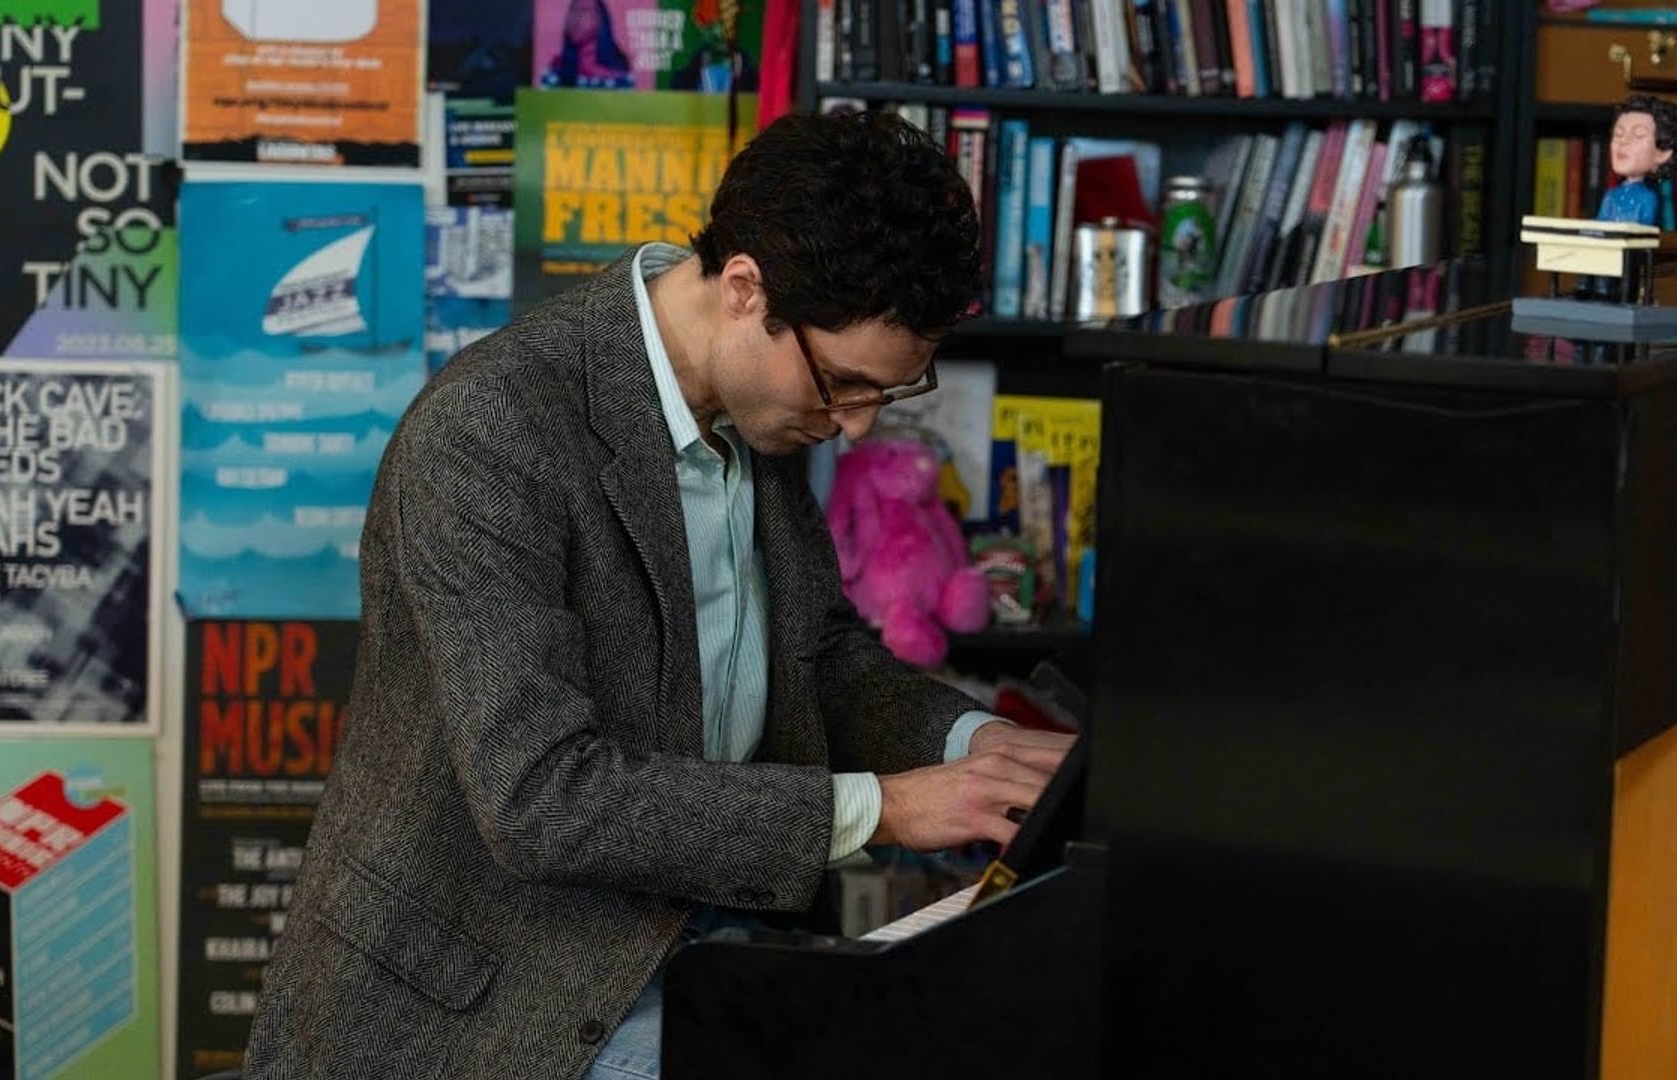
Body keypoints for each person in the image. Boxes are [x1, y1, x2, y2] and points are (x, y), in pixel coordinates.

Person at [241, 109, 1074, 1080]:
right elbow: (543, 799)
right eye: (842, 385)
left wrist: (977, 746)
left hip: (700, 936)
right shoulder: (487, 435)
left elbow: (823, 658)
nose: (852, 428)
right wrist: (884, 809)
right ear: (743, 286)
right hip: (495, 996)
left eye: (882, 396)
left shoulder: (764, 405)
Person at [1598, 94, 1677, 227]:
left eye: (1638, 135)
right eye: (1618, 134)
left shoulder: (1647, 197)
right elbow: (1598, 224)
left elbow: (1643, 230)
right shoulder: (1611, 195)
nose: (1623, 141)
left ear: (1662, 154)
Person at [541, 0, 636, 89]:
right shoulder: (555, 68)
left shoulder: (620, 70)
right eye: (572, 10)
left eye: (584, 11)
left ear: (600, 19)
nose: (575, 17)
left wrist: (593, 71)